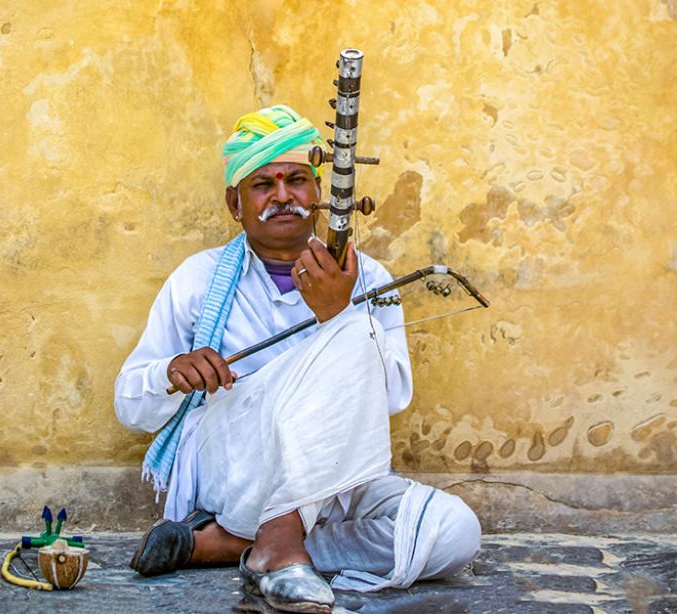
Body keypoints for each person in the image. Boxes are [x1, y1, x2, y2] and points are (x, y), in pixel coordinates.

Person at [114, 105, 480, 612]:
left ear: (318, 194)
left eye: (297, 180)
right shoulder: (196, 280)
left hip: (339, 473)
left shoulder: (368, 276)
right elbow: (130, 406)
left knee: (455, 533)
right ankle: (278, 541)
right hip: (239, 470)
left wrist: (339, 313)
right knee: (340, 345)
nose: (283, 196)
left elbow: (392, 398)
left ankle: (242, 546)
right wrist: (170, 372)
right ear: (234, 203)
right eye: (263, 184)